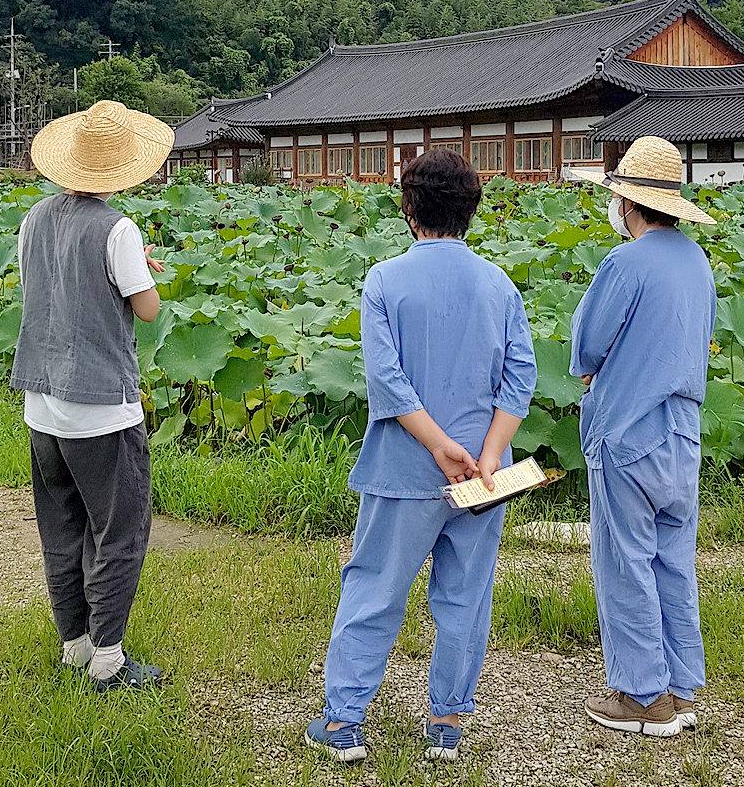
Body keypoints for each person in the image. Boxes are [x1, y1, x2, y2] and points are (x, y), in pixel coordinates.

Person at [305, 148, 537, 763]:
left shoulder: (384, 279)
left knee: (376, 588)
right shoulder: (500, 284)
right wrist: (488, 456)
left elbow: (387, 380)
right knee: (466, 597)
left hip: (407, 466)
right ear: (472, 209)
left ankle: (344, 722)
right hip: (487, 477)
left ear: (409, 208)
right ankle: (447, 726)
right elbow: (521, 379)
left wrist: (438, 446)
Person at [11, 99, 173, 691]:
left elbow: (54, 287)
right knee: (119, 530)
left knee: (61, 524)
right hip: (101, 406)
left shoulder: (33, 220)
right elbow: (148, 311)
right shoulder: (119, 228)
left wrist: (129, 268)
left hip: (41, 402)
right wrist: (145, 274)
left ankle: (74, 645)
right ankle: (109, 657)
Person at [569, 136, 716, 736]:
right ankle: (680, 688)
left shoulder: (623, 264)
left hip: (627, 433)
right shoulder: (697, 262)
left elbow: (586, 350)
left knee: (626, 561)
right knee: (674, 560)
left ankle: (639, 695)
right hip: (683, 433)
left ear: (627, 204)